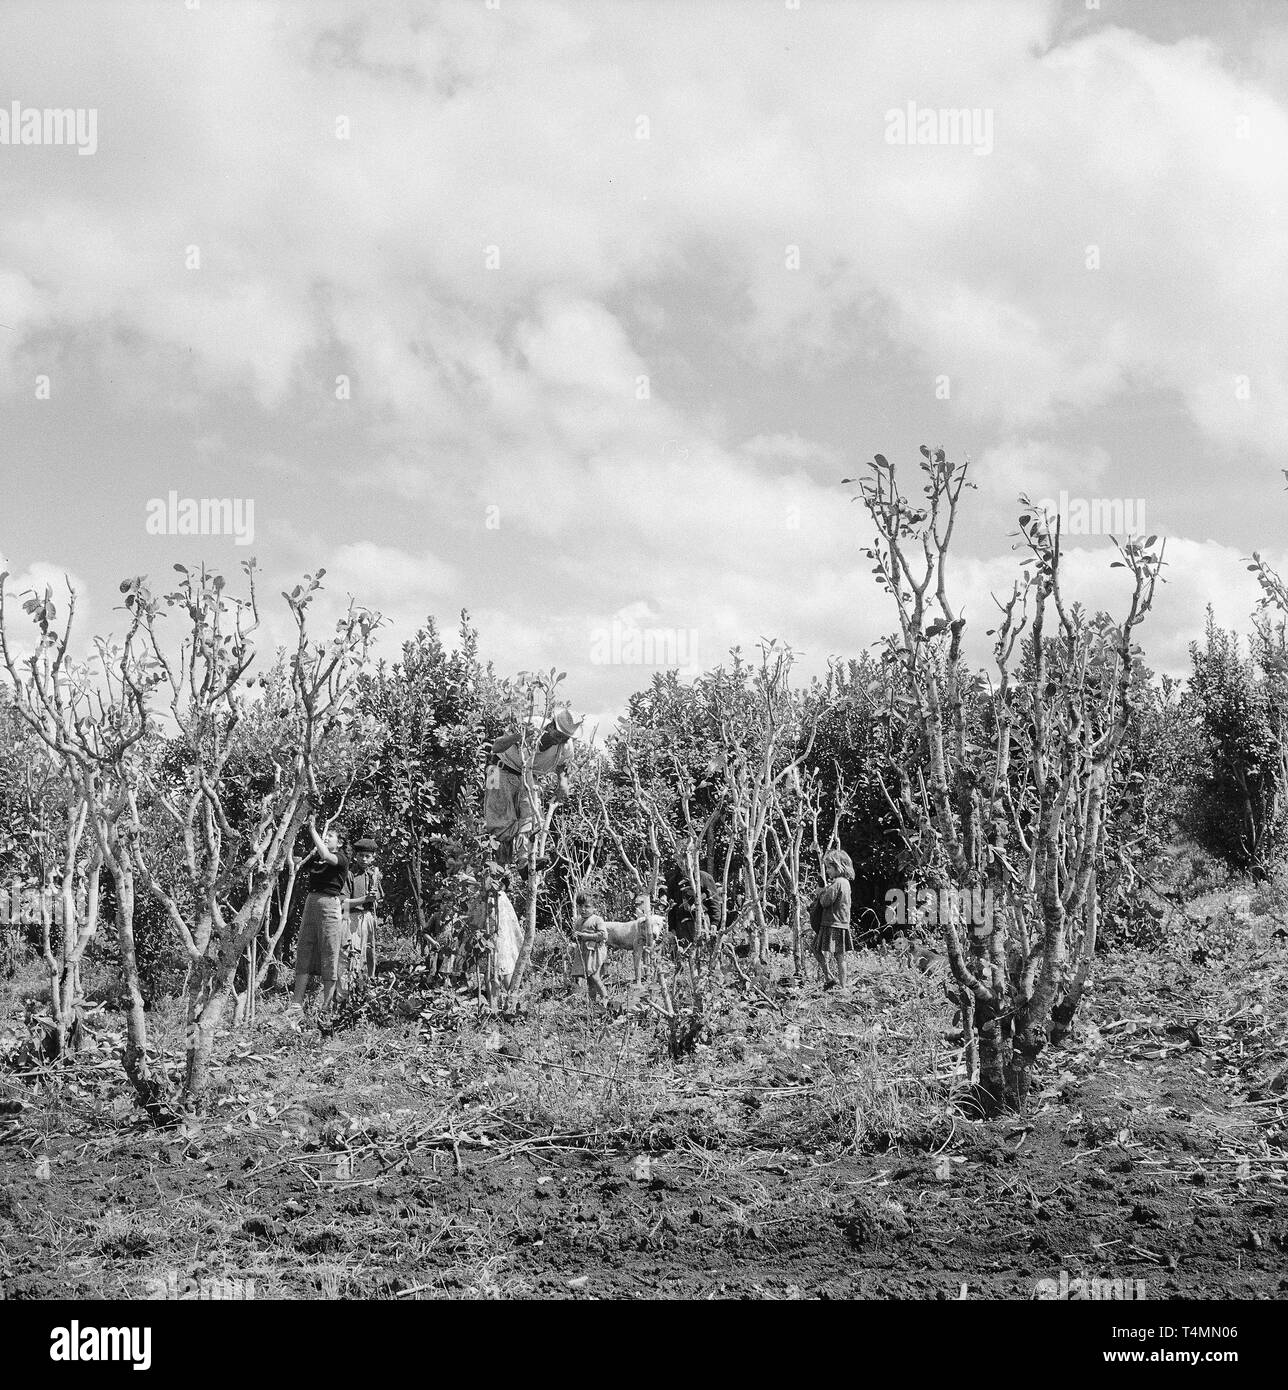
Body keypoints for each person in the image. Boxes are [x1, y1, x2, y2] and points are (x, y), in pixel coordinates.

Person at [484, 707, 582, 866]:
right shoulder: (529, 724)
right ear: (550, 726)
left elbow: (562, 765)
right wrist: (520, 736)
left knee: (533, 817)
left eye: (564, 738)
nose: (559, 741)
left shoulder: (566, 746)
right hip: (497, 769)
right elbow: (496, 746)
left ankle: (524, 861)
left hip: (528, 775)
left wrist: (563, 782)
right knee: (498, 822)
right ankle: (499, 873)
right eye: (558, 735)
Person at [292, 818, 351, 1011]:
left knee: (329, 950)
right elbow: (296, 863)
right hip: (311, 902)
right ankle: (296, 1003)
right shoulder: (316, 859)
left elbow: (326, 854)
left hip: (329, 905)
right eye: (324, 835)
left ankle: (327, 1006)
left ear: (340, 842)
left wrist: (312, 830)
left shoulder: (340, 859)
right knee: (304, 947)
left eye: (330, 836)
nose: (325, 838)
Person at [812, 848, 855, 991]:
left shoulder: (837, 883)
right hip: (841, 923)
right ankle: (840, 984)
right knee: (839, 956)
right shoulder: (845, 883)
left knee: (817, 949)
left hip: (832, 923)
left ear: (839, 866)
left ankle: (830, 977)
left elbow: (825, 902)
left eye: (829, 867)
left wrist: (820, 893)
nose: (828, 871)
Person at [346, 837, 383, 980]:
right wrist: (365, 899)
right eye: (361, 855)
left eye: (368, 856)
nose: (364, 859)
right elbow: (344, 903)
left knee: (370, 950)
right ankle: (353, 982)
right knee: (354, 952)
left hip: (368, 917)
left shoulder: (373, 874)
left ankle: (370, 981)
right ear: (356, 856)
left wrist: (375, 894)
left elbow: (379, 895)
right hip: (353, 918)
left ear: (373, 858)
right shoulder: (350, 874)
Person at [571, 890, 609, 1007]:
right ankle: (592, 1003)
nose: (583, 909)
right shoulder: (579, 921)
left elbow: (603, 935)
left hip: (595, 952)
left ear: (594, 908)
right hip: (584, 952)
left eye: (587, 907)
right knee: (589, 979)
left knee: (594, 976)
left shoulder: (597, 920)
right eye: (580, 906)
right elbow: (575, 936)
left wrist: (585, 936)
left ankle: (605, 998)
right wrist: (574, 937)